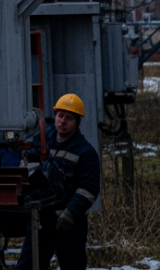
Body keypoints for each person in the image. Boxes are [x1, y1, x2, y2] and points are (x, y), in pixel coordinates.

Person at [15, 93, 101, 270]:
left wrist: (70, 213)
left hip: (69, 224)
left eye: (69, 118)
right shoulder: (42, 142)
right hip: (40, 219)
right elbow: (26, 169)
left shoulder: (85, 152)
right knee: (28, 266)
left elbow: (88, 189)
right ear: (55, 116)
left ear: (77, 122)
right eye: (60, 115)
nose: (62, 121)